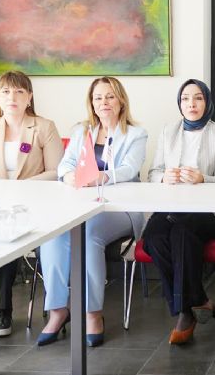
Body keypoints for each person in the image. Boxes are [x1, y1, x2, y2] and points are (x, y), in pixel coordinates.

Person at [37, 76, 147, 347]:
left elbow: (130, 169)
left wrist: (102, 176)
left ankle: (92, 312)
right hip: (82, 205)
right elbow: (65, 165)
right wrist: (69, 177)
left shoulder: (136, 134)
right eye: (98, 97)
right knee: (54, 234)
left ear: (121, 101)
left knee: (88, 235)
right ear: (92, 103)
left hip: (120, 208)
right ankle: (58, 310)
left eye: (110, 96)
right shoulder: (81, 132)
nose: (104, 102)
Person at [0, 71, 64, 337]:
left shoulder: (44, 127)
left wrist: (22, 187)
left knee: (8, 234)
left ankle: (53, 307)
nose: (12, 97)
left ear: (29, 97)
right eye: (6, 92)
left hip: (36, 207)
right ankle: (2, 311)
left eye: (19, 92)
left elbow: (57, 172)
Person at [143, 79, 215, 344]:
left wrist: (203, 178)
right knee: (153, 238)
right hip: (172, 205)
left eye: (198, 98)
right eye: (185, 99)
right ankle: (199, 299)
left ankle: (184, 314)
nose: (191, 104)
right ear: (179, 103)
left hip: (207, 211)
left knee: (181, 233)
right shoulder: (168, 131)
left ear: (207, 102)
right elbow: (153, 172)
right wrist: (164, 177)